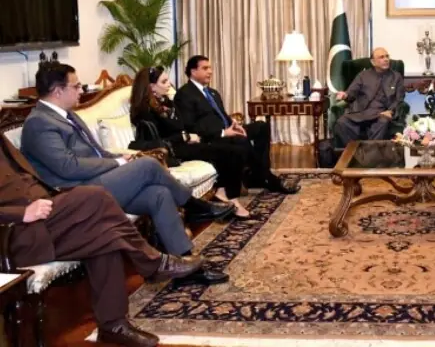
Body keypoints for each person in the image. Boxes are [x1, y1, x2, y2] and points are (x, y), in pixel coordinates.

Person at [19, 63, 232, 285]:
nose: (81, 90)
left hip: (97, 183)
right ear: (57, 91)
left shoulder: (68, 115)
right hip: (76, 194)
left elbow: (97, 151)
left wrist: (118, 158)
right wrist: (117, 162)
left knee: (158, 194)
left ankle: (186, 267)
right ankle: (196, 207)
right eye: (76, 86)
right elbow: (67, 167)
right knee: (148, 165)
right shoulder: (39, 123)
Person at [1, 135, 204, 347]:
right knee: (96, 196)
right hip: (15, 235)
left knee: (104, 234)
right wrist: (22, 213)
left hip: (46, 218)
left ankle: (113, 325)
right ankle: (153, 264)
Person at [130, 66, 251, 219]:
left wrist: (188, 136)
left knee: (233, 148)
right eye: (164, 82)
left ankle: (222, 191)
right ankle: (232, 199)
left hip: (184, 144)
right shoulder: (145, 111)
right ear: (152, 87)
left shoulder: (167, 102)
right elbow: (157, 140)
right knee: (231, 152)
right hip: (172, 151)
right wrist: (185, 137)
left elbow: (181, 126)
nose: (169, 84)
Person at [174, 55, 297, 194]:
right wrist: (223, 133)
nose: (210, 72)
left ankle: (258, 174)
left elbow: (221, 114)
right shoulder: (184, 94)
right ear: (193, 71)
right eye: (205, 68)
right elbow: (190, 126)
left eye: (210, 68)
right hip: (212, 138)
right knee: (240, 140)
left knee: (261, 126)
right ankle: (267, 178)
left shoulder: (212, 92)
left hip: (227, 130)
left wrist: (234, 124)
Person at [333, 47, 405, 146]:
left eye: (387, 56)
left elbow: (399, 99)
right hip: (361, 112)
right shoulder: (363, 75)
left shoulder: (396, 77)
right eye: (381, 57)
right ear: (373, 62)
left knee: (383, 122)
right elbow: (351, 93)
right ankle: (354, 151)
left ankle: (370, 153)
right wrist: (345, 95)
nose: (386, 59)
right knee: (341, 122)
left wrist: (391, 111)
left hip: (381, 113)